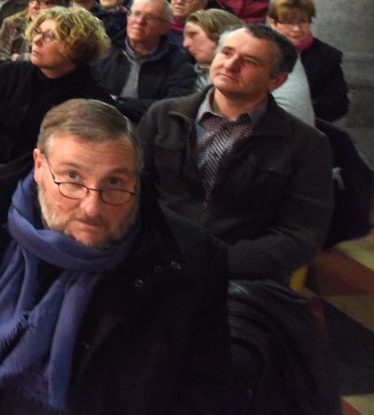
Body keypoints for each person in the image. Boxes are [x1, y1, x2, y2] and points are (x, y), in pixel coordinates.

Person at [0, 99, 231, 414]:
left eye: (115, 181)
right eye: (72, 177)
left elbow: (203, 391)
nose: (92, 207)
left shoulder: (190, 259)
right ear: (39, 166)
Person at [138, 25, 335, 411]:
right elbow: (136, 196)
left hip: (243, 279)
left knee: (224, 368)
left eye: (250, 61)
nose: (230, 64)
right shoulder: (165, 115)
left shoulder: (305, 144)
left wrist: (214, 262)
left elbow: (300, 236)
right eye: (227, 52)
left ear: (276, 80)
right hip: (157, 262)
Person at [0, 7, 113, 165]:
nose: (36, 40)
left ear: (76, 48)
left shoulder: (92, 99)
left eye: (50, 36)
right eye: (38, 31)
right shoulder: (11, 72)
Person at [182, 10, 315, 126]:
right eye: (226, 53)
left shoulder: (278, 54)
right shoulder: (200, 70)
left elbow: (291, 119)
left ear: (218, 33)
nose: (185, 44)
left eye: (193, 34)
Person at [93, 0, 196, 122]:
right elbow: (90, 93)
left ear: (165, 27)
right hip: (99, 122)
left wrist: (118, 102)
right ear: (128, 17)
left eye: (150, 17)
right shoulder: (105, 49)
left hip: (150, 129)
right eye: (135, 13)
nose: (139, 21)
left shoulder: (178, 60)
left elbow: (172, 106)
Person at [268, 0, 349, 122]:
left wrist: (303, 106)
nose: (296, 29)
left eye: (303, 22)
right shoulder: (257, 48)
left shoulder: (327, 56)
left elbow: (339, 104)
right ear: (273, 22)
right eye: (289, 22)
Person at [0, 0, 70, 80]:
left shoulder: (68, 30)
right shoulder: (13, 23)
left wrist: (19, 58)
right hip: (13, 83)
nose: (35, 6)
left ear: (59, 5)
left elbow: (60, 64)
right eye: (32, 0)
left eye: (43, 1)